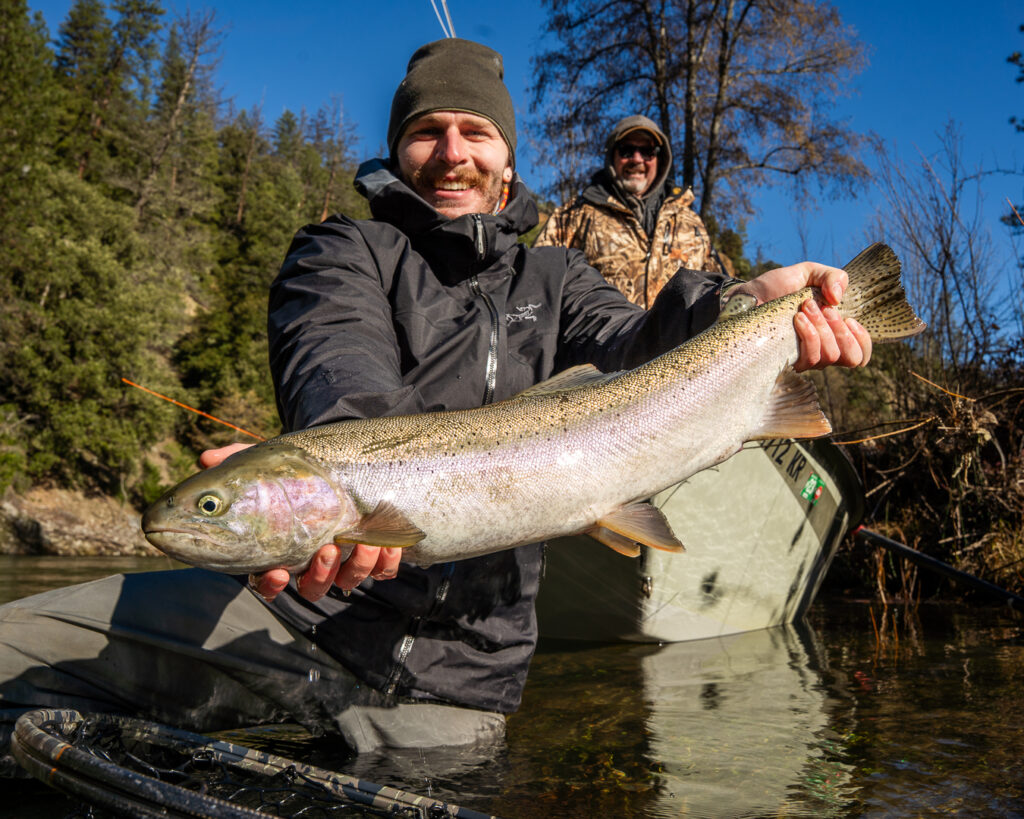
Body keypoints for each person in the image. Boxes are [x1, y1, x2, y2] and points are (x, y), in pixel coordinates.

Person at [0, 38, 871, 761]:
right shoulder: (343, 253)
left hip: (463, 674)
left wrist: (750, 304)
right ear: (399, 149)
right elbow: (335, 373)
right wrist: (337, 467)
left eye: (473, 131)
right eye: (426, 130)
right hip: (292, 619)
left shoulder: (556, 275)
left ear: (506, 156)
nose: (451, 151)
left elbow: (643, 344)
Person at [535, 115, 723, 308]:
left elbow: (721, 293)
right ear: (612, 156)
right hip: (599, 337)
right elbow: (535, 283)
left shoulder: (692, 223)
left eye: (647, 151)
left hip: (685, 339)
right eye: (626, 150)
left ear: (661, 159)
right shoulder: (574, 215)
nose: (637, 159)